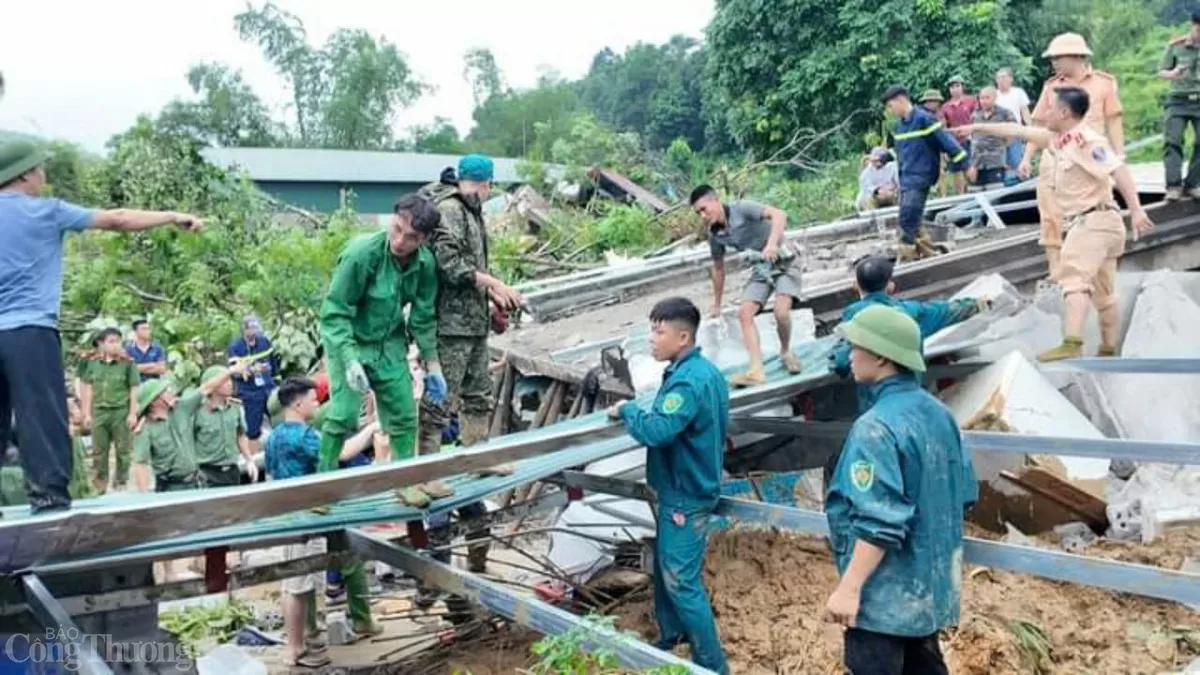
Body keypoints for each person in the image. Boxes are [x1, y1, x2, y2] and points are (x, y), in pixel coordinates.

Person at [0, 135, 202, 512]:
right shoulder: (48, 211)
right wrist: (173, 216)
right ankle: (49, 503)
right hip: (30, 331)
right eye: (40, 168)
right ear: (26, 174)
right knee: (41, 416)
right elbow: (118, 219)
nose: (44, 175)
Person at [824, 305, 979, 675]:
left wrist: (849, 589)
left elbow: (879, 521)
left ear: (879, 356)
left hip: (885, 601)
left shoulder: (875, 427)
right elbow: (966, 494)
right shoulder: (940, 414)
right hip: (929, 592)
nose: (850, 356)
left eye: (855, 346)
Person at [959, 86, 1155, 361]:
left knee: (1073, 280)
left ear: (1064, 112)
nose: (1045, 114)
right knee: (1104, 293)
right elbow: (1017, 131)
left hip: (1092, 222)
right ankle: (1109, 350)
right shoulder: (1059, 140)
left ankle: (1072, 343)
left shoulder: (1086, 140)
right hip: (1103, 223)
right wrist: (976, 127)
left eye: (1050, 108)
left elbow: (1118, 170)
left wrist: (1136, 210)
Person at [608, 298, 729, 675]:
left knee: (681, 582)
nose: (651, 339)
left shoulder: (688, 382)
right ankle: (671, 635)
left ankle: (711, 665)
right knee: (666, 568)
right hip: (684, 484)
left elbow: (658, 430)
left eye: (659, 331)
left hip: (686, 494)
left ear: (683, 336)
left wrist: (628, 410)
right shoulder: (700, 372)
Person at [265, 377, 381, 666]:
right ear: (298, 403)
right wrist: (373, 428)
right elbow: (341, 453)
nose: (318, 403)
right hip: (306, 517)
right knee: (300, 585)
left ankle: (299, 643)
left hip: (287, 514)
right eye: (314, 399)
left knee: (293, 582)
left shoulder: (275, 435)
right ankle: (294, 648)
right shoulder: (303, 436)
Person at [418, 154, 521, 480]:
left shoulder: (470, 211)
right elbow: (449, 264)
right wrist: (493, 283)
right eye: (484, 186)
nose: (485, 192)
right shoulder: (450, 209)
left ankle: (477, 457)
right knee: (440, 399)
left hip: (473, 323)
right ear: (480, 183)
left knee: (479, 394)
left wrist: (493, 298)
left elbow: (472, 267)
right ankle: (427, 472)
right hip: (450, 327)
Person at [1022, 33, 1124, 280]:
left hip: (1090, 160)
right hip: (1055, 157)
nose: (1054, 62)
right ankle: (1056, 269)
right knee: (1050, 214)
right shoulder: (1051, 87)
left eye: (1059, 57)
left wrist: (1118, 154)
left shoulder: (1103, 83)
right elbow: (1037, 125)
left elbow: (1113, 119)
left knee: (1095, 211)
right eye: (1053, 58)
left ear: (1077, 56)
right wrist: (1026, 157)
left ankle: (1097, 266)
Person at [830, 255, 989, 410]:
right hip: (912, 399)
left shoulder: (853, 320)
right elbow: (947, 311)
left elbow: (841, 363)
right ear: (890, 286)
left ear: (855, 285)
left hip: (876, 405)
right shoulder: (911, 312)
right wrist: (978, 304)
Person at [690, 185, 804, 387]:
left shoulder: (741, 209)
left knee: (781, 311)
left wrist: (772, 244)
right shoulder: (716, 235)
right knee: (744, 313)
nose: (703, 216)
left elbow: (779, 214)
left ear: (716, 200)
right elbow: (718, 269)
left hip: (785, 260)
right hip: (762, 267)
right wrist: (716, 303)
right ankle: (756, 370)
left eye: (704, 209)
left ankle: (785, 351)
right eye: (698, 213)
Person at [881, 85, 967, 261]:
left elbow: (946, 142)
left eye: (890, 106)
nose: (889, 111)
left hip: (921, 176)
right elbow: (898, 151)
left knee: (908, 216)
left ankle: (906, 255)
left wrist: (964, 163)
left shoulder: (924, 119)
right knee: (911, 216)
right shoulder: (899, 127)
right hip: (906, 177)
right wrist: (882, 159)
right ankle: (929, 252)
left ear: (900, 100)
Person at [131, 365, 244, 493]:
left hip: (194, 483)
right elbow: (140, 464)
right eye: (165, 391)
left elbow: (207, 387)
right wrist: (146, 498)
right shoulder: (145, 429)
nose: (171, 392)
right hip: (169, 487)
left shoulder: (182, 409)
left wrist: (231, 371)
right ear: (154, 401)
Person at [77, 327, 140, 493]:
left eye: (118, 341)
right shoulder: (92, 362)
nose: (116, 345)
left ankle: (121, 482)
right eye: (111, 341)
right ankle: (100, 485)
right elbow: (88, 387)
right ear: (101, 344)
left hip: (120, 411)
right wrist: (86, 413)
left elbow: (134, 388)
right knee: (99, 451)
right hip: (99, 411)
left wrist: (133, 413)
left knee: (123, 450)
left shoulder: (127, 362)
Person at [194, 365, 258, 487]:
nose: (230, 384)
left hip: (231, 470)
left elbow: (241, 434)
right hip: (207, 472)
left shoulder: (235, 408)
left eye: (230, 380)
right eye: (225, 381)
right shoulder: (197, 412)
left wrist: (249, 460)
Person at [1159, 12, 1200, 201]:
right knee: (1173, 141)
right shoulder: (1176, 46)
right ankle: (1173, 186)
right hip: (1177, 100)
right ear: (1193, 25)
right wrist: (1174, 73)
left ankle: (1193, 184)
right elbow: (1162, 71)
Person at [228, 315, 277, 455]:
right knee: (253, 429)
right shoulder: (236, 347)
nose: (254, 332)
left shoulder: (264, 342)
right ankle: (254, 462)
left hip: (268, 389)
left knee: (279, 421)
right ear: (244, 330)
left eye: (256, 328)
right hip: (250, 393)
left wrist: (274, 378)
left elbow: (273, 364)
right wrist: (251, 370)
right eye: (251, 329)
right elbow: (234, 372)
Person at [969, 87, 1018, 191]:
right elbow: (973, 138)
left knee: (994, 194)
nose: (984, 101)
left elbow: (1014, 132)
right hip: (977, 163)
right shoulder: (975, 114)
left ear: (995, 98)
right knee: (975, 195)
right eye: (981, 98)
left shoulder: (1004, 113)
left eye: (987, 98)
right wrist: (973, 165)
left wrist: (1003, 146)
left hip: (995, 162)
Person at [941, 76, 978, 195]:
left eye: (957, 86)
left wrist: (973, 134)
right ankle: (960, 196)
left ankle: (973, 193)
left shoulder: (971, 100)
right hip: (954, 142)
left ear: (962, 87)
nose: (955, 89)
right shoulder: (946, 106)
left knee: (971, 169)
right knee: (956, 171)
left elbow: (977, 118)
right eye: (952, 87)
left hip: (971, 139)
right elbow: (944, 127)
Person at [994, 67, 1032, 179]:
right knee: (1001, 164)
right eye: (998, 78)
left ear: (1011, 79)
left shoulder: (1018, 92)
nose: (1001, 80)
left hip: (1015, 133)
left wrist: (1030, 129)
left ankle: (1023, 186)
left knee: (1017, 161)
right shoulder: (994, 95)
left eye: (1003, 77)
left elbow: (1025, 112)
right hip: (998, 135)